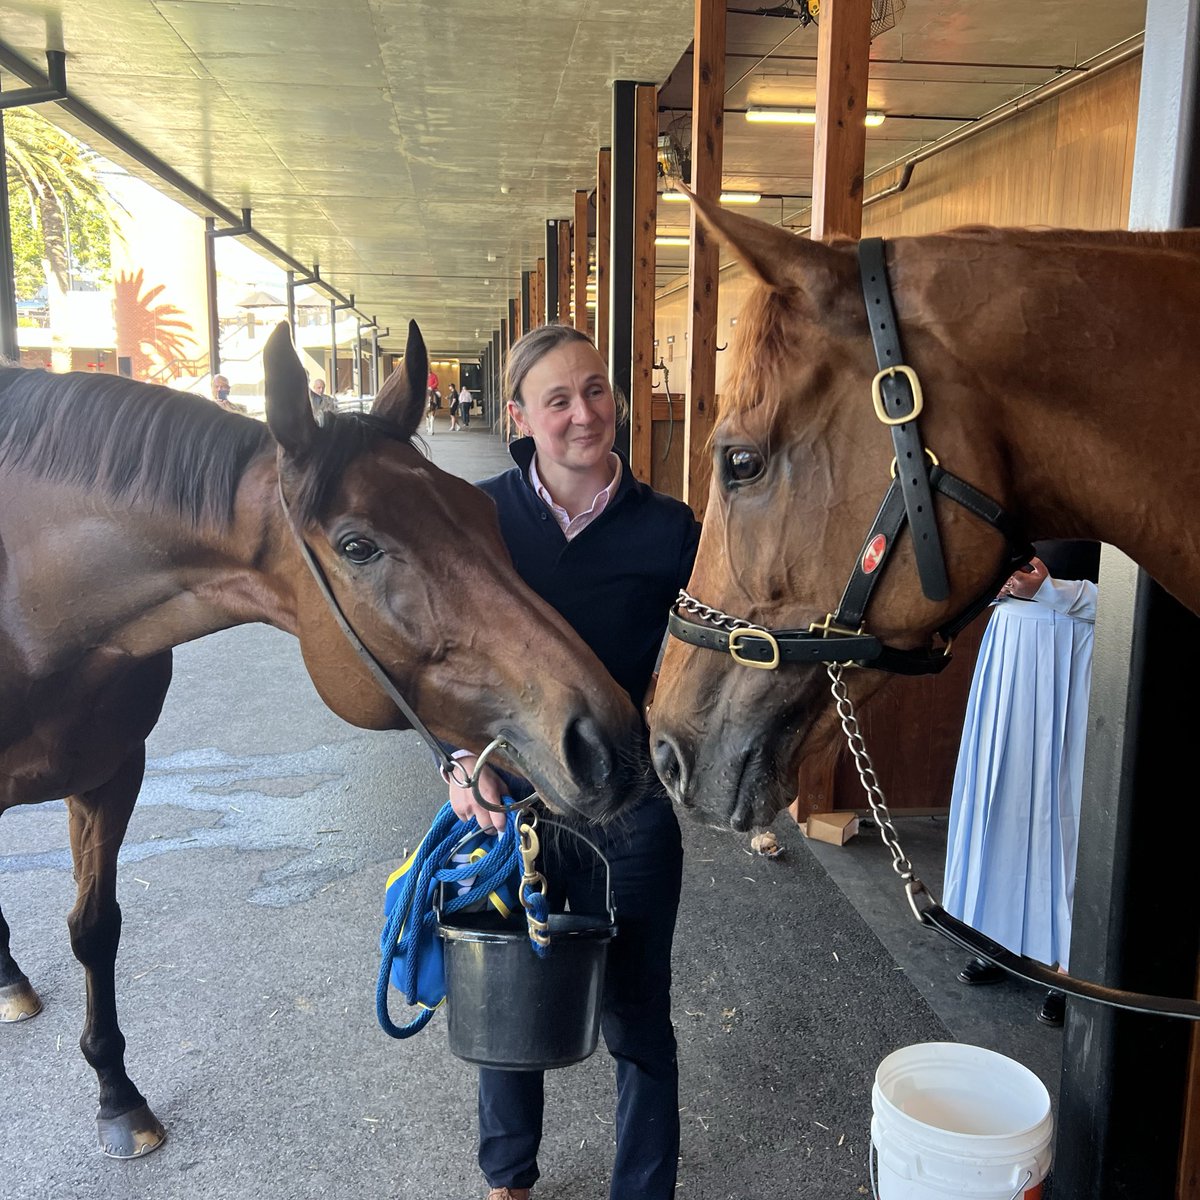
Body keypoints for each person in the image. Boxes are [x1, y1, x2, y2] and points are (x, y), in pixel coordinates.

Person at [445, 324, 700, 1200]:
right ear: (519, 417)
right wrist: (455, 757)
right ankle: (507, 1181)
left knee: (639, 1017)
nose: (584, 414)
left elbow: (705, 667)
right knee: (505, 998)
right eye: (558, 399)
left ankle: (645, 1190)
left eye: (596, 390)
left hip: (626, 805)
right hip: (510, 801)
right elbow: (438, 660)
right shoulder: (477, 518)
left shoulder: (671, 530)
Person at [944, 540, 1099, 1027]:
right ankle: (999, 937)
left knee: (1066, 804)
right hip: (1009, 640)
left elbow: (1141, 593)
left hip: (1077, 643)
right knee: (1000, 797)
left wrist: (1052, 591)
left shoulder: (1116, 485)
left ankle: (1072, 965)